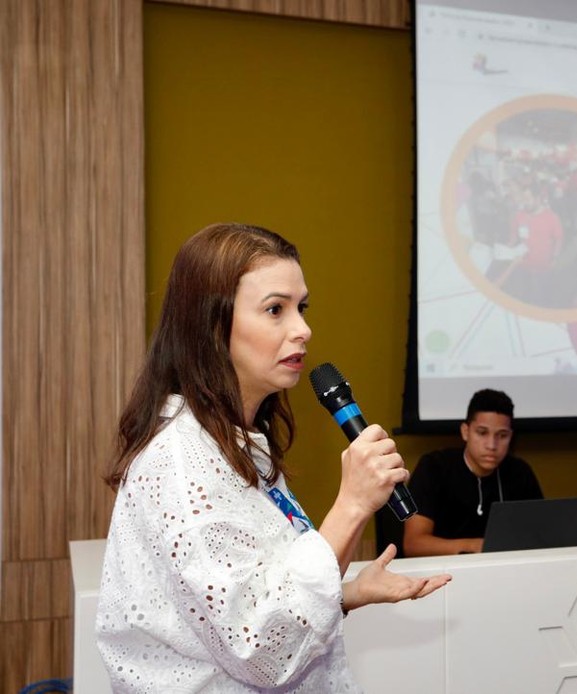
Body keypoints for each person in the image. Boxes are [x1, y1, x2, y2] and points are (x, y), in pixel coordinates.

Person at [96, 223, 450, 692]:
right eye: (275, 310)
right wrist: (351, 505)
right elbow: (259, 651)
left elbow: (244, 604)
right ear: (211, 324)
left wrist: (346, 596)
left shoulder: (237, 442)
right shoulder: (181, 465)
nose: (303, 329)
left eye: (301, 308)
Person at [402, 389, 542, 556]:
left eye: (502, 435)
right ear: (465, 431)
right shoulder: (434, 467)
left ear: (511, 436)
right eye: (482, 433)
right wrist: (478, 546)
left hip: (503, 571)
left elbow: (540, 536)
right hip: (442, 573)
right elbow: (414, 544)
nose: (492, 445)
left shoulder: (520, 472)